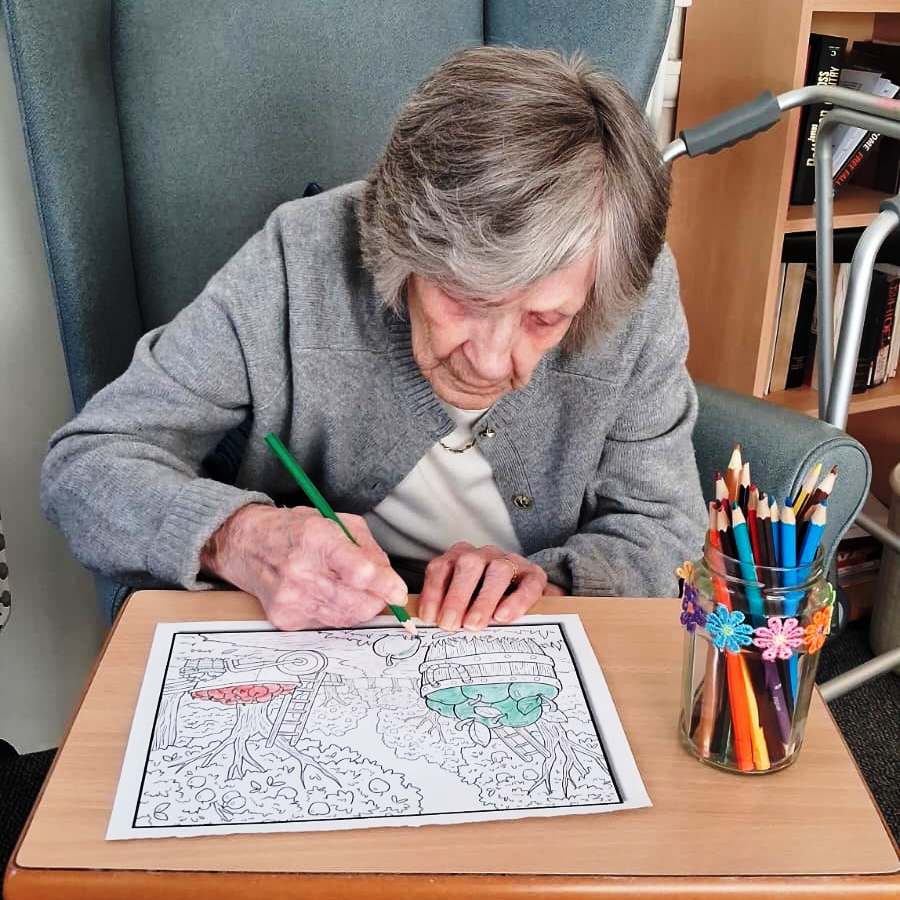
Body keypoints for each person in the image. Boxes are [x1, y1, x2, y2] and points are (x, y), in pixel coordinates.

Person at [41, 47, 706, 633]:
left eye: (544, 320)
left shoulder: (630, 286)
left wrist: (551, 585)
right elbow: (87, 465)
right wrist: (239, 537)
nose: (490, 362)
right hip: (311, 643)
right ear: (398, 243)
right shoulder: (299, 257)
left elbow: (665, 529)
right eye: (465, 300)